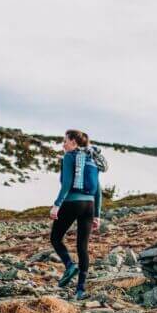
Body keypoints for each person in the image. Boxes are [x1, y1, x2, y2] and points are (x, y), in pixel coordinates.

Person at [49, 129, 107, 300]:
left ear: (73, 142)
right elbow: (99, 191)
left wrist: (56, 205)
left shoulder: (69, 156)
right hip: (89, 205)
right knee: (82, 246)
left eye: (65, 140)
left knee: (55, 238)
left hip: (72, 203)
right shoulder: (92, 159)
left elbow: (66, 183)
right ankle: (80, 289)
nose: (63, 144)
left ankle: (69, 265)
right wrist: (97, 214)